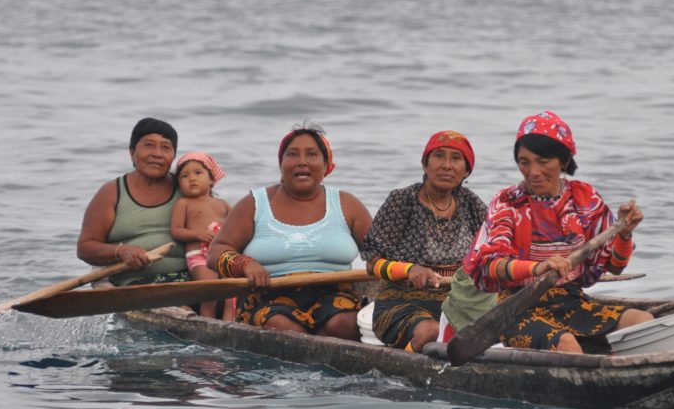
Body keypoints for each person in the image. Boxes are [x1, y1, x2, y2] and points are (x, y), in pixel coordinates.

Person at [464, 111, 652, 354]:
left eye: (543, 162)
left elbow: (614, 267)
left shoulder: (585, 199)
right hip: (518, 309)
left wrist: (625, 235)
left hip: (571, 303)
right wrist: (537, 268)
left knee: (643, 322)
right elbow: (490, 265)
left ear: (562, 160)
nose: (533, 172)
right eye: (524, 162)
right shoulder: (508, 202)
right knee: (565, 343)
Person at [206, 126, 372, 340]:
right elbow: (215, 252)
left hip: (336, 299)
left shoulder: (347, 204)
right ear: (281, 165)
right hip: (269, 299)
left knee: (345, 324)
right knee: (280, 326)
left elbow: (381, 255)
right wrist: (245, 264)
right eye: (292, 154)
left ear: (326, 166)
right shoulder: (254, 204)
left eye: (311, 154)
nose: (301, 161)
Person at [361, 131, 490, 352]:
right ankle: (406, 367)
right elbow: (372, 263)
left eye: (456, 159)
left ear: (467, 170)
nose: (447, 165)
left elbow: (492, 253)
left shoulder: (472, 204)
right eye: (439, 156)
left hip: (457, 302)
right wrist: (409, 269)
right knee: (431, 332)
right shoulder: (401, 201)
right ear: (425, 164)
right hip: (401, 302)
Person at [77, 117, 188, 286]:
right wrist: (120, 251)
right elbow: (85, 248)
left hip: (188, 280)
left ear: (173, 156)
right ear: (132, 152)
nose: (157, 153)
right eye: (149, 145)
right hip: (133, 285)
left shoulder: (187, 188)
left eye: (165, 147)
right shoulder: (112, 192)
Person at [170, 152, 234, 320]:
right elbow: (176, 230)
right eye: (184, 176)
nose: (191, 178)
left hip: (223, 256)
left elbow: (236, 228)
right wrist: (198, 234)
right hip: (199, 256)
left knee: (232, 295)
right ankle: (209, 328)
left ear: (212, 179)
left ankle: (231, 326)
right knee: (209, 294)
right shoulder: (184, 204)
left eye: (198, 173)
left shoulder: (223, 204)